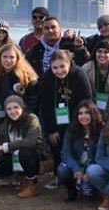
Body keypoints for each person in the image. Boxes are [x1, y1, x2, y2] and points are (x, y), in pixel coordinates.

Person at [37, 50, 93, 189]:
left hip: (78, 119)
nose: (59, 71)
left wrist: (82, 123)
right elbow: (45, 105)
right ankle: (58, 176)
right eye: (55, 67)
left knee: (76, 148)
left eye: (62, 66)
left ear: (69, 63)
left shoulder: (79, 75)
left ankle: (81, 176)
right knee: (57, 146)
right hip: (57, 119)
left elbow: (88, 100)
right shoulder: (47, 77)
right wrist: (51, 129)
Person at [0, 44, 39, 155]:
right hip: (0, 112)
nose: (8, 60)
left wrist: (26, 114)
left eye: (11, 57)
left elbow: (33, 97)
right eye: (5, 57)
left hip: (22, 114)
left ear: (17, 58)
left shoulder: (27, 75)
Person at [0, 95, 48, 198]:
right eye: (9, 109)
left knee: (25, 152)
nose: (13, 111)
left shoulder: (32, 118)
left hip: (35, 154)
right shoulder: (4, 124)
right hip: (14, 156)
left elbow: (30, 142)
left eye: (16, 107)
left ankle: (32, 183)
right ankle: (17, 177)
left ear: (22, 107)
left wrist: (7, 146)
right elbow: (0, 144)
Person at [57, 100, 103, 201]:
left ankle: (95, 189)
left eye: (87, 113)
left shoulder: (101, 130)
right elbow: (65, 153)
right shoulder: (71, 129)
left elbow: (102, 154)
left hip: (94, 165)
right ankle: (72, 191)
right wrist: (76, 168)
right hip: (77, 163)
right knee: (62, 170)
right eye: (80, 113)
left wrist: (88, 171)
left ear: (93, 114)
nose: (83, 116)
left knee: (92, 174)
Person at [25, 16, 90, 74]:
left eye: (53, 27)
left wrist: (80, 47)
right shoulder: (35, 49)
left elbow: (86, 63)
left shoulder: (70, 44)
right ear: (42, 30)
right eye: (46, 28)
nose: (50, 30)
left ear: (60, 29)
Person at [82, 39, 109, 113]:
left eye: (106, 52)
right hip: (91, 109)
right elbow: (85, 95)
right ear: (95, 53)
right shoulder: (86, 68)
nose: (102, 55)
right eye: (99, 51)